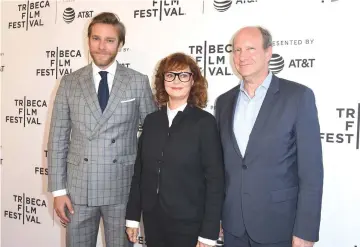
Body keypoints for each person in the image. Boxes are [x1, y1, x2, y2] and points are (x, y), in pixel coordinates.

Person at [47, 12, 157, 247]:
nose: (102, 47)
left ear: (120, 44)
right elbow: (57, 139)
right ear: (88, 40)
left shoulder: (137, 81)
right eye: (96, 39)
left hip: (123, 188)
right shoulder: (69, 82)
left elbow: (153, 136)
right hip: (78, 190)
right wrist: (58, 191)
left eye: (110, 40)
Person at [216, 26, 323, 247]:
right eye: (237, 50)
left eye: (250, 48)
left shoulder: (298, 97)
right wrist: (215, 217)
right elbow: (221, 168)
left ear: (268, 52)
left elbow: (311, 172)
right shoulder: (223, 102)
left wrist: (305, 231)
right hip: (233, 227)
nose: (242, 56)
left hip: (278, 226)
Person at [125, 52, 224, 247]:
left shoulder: (204, 123)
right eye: (170, 75)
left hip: (190, 224)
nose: (176, 80)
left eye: (183, 75)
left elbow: (215, 181)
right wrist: (132, 218)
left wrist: (208, 233)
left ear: (193, 80)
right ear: (163, 80)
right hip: (153, 221)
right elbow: (140, 173)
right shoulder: (152, 121)